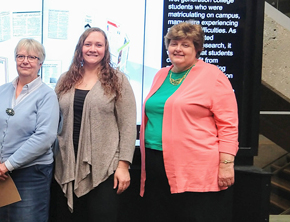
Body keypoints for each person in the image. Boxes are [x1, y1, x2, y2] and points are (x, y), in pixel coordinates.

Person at [140, 21, 238, 222]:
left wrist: (227, 163)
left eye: (185, 45)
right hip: (155, 161)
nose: (178, 49)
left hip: (194, 167)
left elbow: (228, 124)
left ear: (198, 48)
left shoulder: (213, 76)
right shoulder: (161, 74)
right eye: (174, 43)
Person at [52, 27, 137, 222]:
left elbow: (127, 126)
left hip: (104, 168)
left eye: (98, 45)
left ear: (106, 49)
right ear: (80, 48)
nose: (93, 49)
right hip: (67, 164)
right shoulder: (66, 79)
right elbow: (53, 118)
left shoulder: (118, 80)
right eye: (88, 44)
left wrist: (123, 166)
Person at [0, 38, 59, 222]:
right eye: (21, 56)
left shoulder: (47, 95)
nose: (25, 61)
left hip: (30, 174)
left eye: (32, 57)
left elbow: (44, 137)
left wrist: (8, 165)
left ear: (40, 63)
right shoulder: (2, 91)